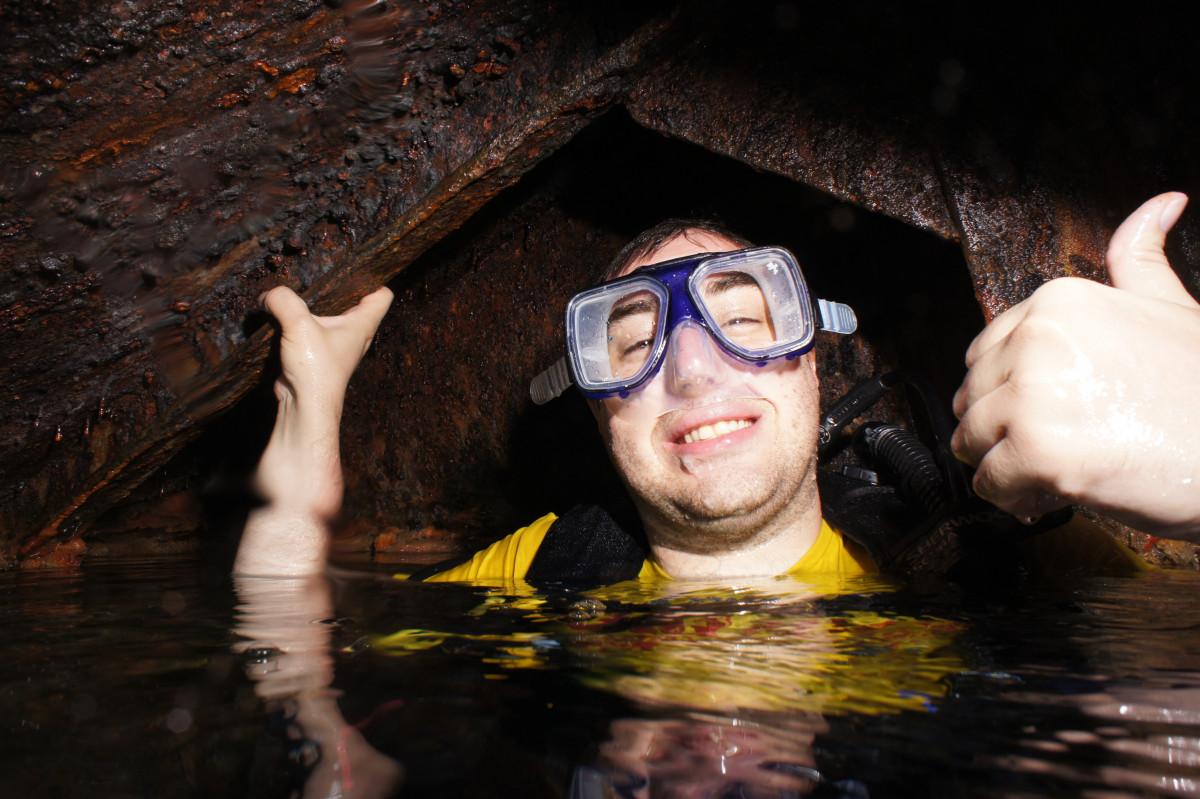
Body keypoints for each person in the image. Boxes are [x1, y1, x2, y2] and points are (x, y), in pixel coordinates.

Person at [233, 192, 1193, 581]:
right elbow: (280, 647)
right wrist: (310, 410)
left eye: (743, 319)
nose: (691, 369)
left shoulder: (983, 564)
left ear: (814, 348)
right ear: (598, 400)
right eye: (632, 343)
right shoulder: (546, 568)